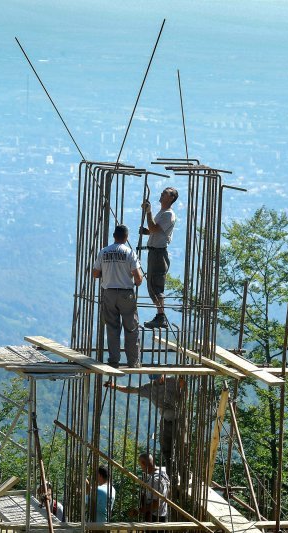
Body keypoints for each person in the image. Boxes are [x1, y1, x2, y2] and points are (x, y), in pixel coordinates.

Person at [105, 375, 184, 479]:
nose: (157, 380)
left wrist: (183, 384)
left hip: (180, 420)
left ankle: (184, 475)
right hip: (165, 419)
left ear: (164, 374)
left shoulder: (174, 381)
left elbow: (184, 389)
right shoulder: (149, 388)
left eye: (159, 377)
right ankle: (171, 477)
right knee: (167, 451)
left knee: (182, 448)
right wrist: (115, 386)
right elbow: (132, 389)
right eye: (155, 378)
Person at [92, 224, 144, 368]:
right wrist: (138, 281)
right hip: (126, 294)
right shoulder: (129, 252)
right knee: (131, 328)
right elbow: (138, 278)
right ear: (126, 238)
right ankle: (133, 362)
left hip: (108, 293)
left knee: (112, 328)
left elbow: (95, 273)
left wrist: (107, 273)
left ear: (114, 236)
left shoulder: (104, 252)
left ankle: (114, 360)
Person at [140, 187, 178, 329]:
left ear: (171, 198)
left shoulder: (168, 214)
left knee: (156, 285)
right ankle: (159, 315)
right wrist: (146, 231)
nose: (161, 195)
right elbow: (153, 230)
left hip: (158, 253)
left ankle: (161, 316)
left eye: (165, 194)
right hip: (154, 252)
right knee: (152, 285)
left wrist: (148, 212)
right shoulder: (162, 213)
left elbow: (155, 228)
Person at [136, 453, 169, 522]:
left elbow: (155, 504)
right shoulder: (163, 473)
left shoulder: (154, 480)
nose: (141, 468)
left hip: (155, 517)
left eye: (140, 465)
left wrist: (139, 511)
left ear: (143, 463)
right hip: (163, 514)